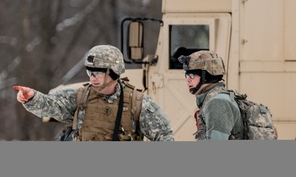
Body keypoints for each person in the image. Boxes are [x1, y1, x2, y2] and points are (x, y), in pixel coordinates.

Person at [14, 44, 174, 141]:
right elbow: (52, 106)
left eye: (97, 72)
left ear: (113, 72)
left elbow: (164, 136)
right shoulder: (80, 98)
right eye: (89, 72)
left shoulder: (138, 103)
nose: (92, 78)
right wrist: (32, 97)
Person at [180, 50, 244, 140]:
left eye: (191, 75)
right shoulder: (212, 98)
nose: (188, 79)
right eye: (186, 75)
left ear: (206, 76)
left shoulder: (218, 102)